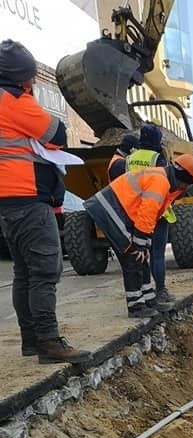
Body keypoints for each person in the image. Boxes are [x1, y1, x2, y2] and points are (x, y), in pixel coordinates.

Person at [0, 39, 89, 364]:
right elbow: (58, 133)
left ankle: (31, 340)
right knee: (45, 271)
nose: (34, 81)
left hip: (8, 203)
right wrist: (28, 98)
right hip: (28, 198)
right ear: (17, 76)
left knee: (24, 273)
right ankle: (49, 342)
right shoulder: (13, 102)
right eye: (29, 76)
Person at [83, 154, 193, 318]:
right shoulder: (161, 182)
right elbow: (147, 213)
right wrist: (139, 245)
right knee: (132, 256)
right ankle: (135, 306)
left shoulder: (164, 181)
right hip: (110, 210)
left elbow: (151, 218)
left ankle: (148, 299)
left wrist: (144, 245)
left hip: (118, 210)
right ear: (185, 179)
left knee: (140, 257)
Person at [126, 123, 176, 308]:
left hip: (136, 212)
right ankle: (160, 290)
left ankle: (143, 292)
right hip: (156, 212)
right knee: (157, 254)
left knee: (140, 254)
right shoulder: (158, 158)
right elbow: (166, 184)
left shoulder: (130, 158)